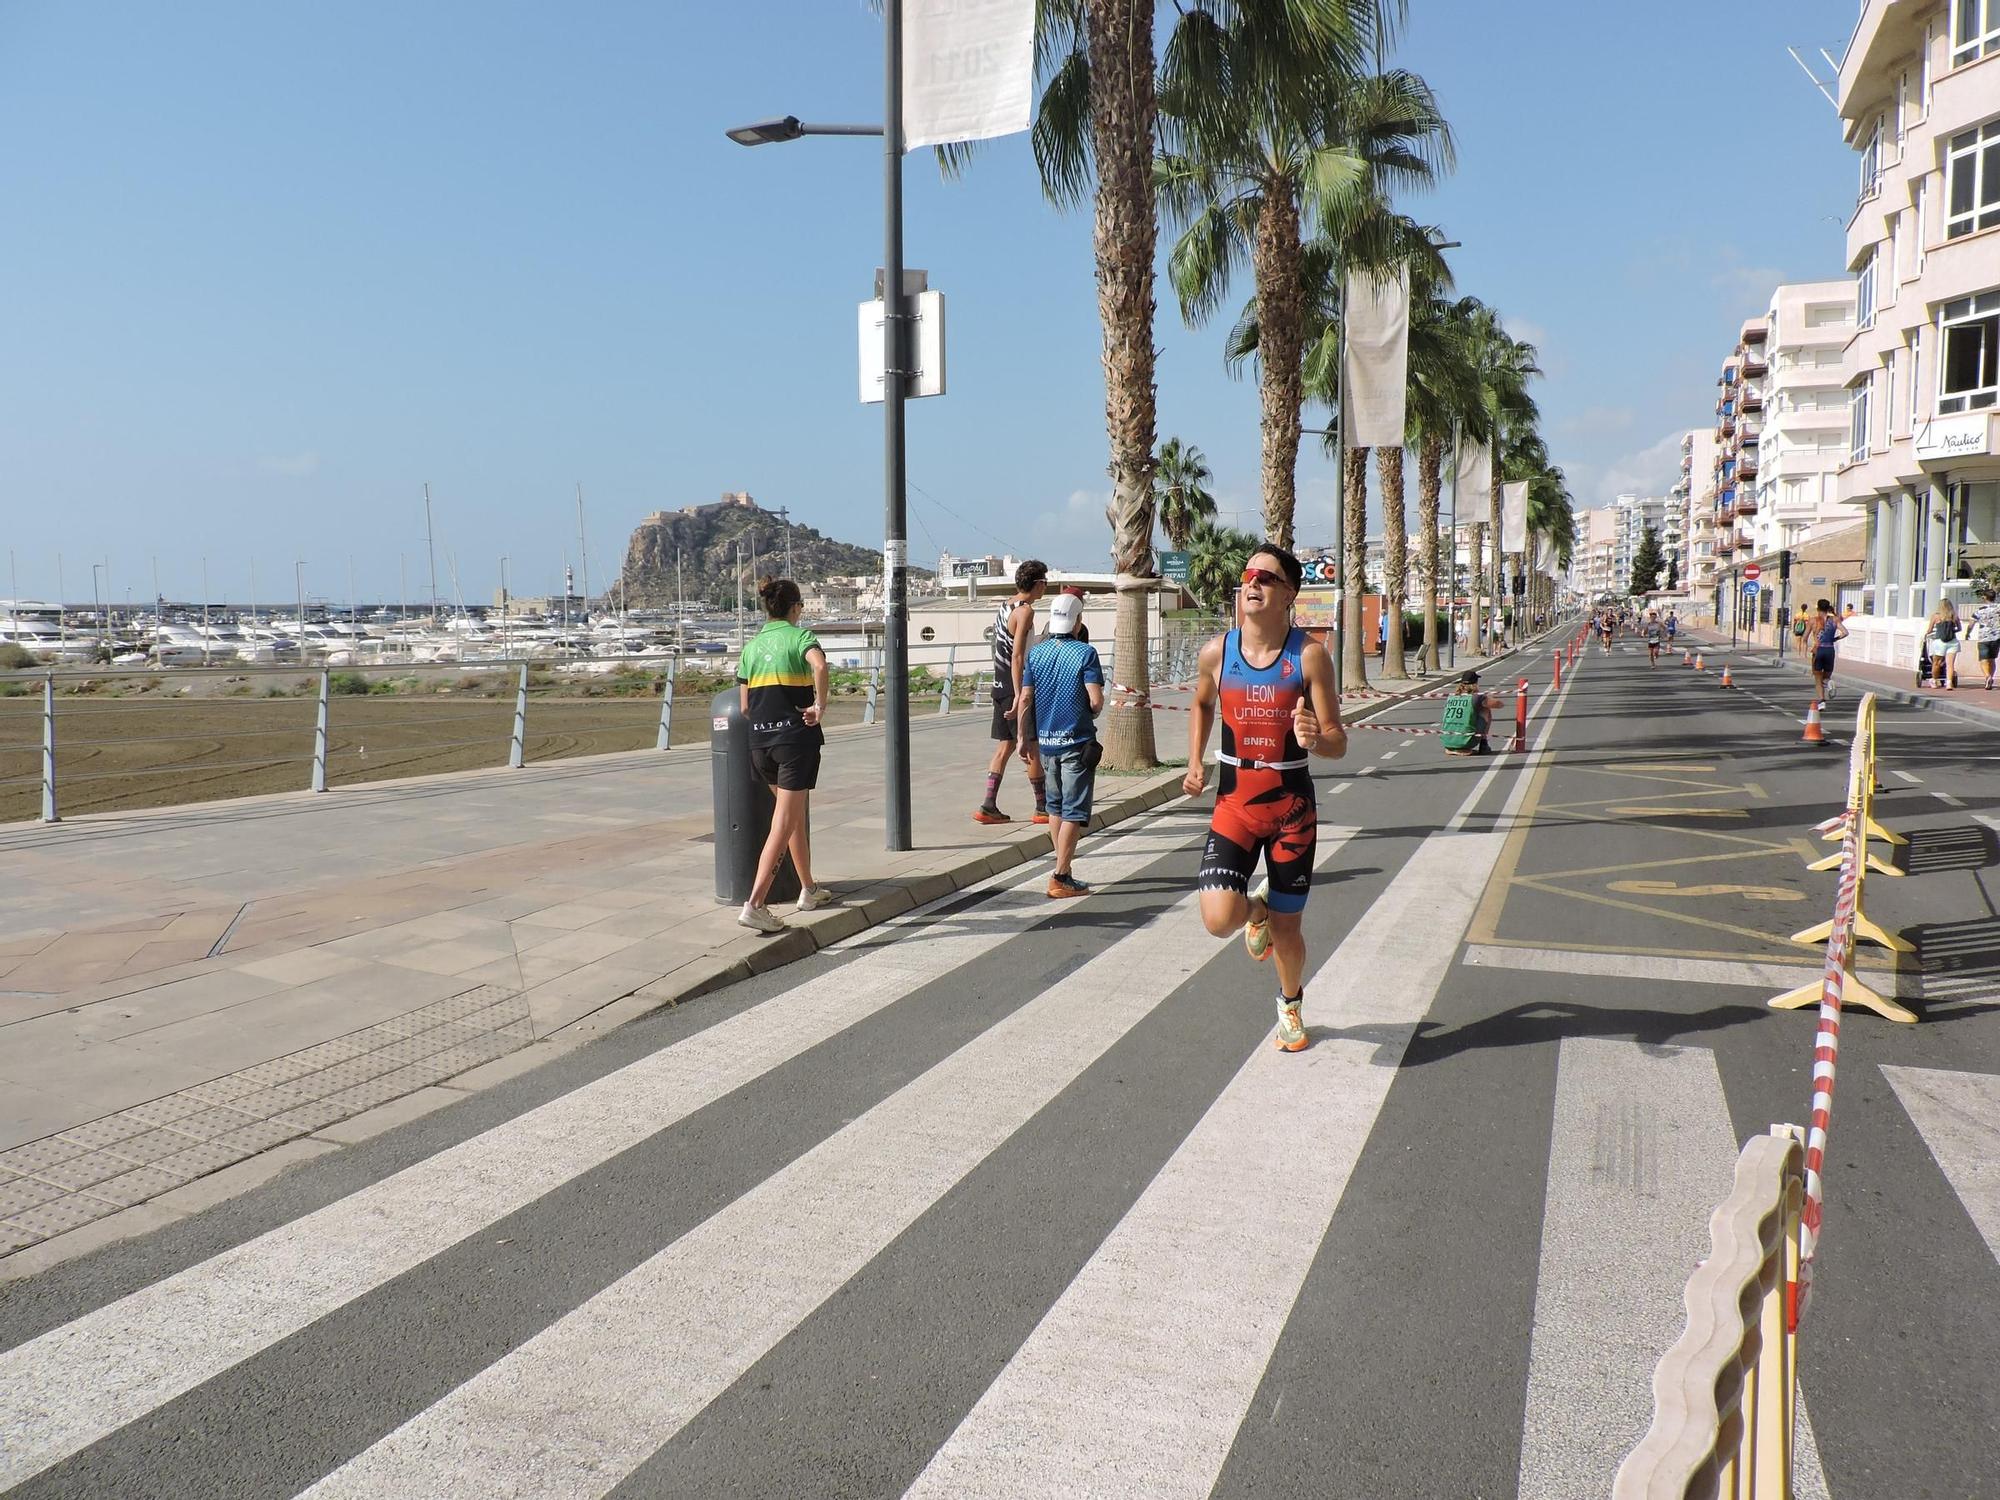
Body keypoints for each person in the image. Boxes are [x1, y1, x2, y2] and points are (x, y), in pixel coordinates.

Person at [1182, 544, 1346, 1053]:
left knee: (1289, 928)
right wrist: (1195, 761)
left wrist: (1315, 738)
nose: (1252, 583)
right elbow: (1201, 703)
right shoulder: (1218, 651)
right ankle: (1255, 912)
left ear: (1289, 594)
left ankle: (1290, 1005)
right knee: (1217, 919)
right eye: (1248, 575)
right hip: (1234, 800)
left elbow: (1339, 741)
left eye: (1266, 578)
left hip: (1291, 809)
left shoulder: (1310, 655)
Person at [735, 577, 834, 933]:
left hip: (759, 744)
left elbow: (745, 707)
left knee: (791, 816)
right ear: (795, 608)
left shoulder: (751, 648)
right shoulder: (801, 637)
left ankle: (808, 888)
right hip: (794, 741)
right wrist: (819, 706)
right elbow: (820, 667)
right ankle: (755, 904)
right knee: (783, 823)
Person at [1016, 593, 1104, 898]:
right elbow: (1095, 701)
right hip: (1077, 741)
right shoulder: (1085, 653)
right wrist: (1091, 706)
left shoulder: (1036, 654)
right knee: (1074, 811)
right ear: (1077, 621)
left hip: (1047, 743)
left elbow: (1025, 698)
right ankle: (1061, 875)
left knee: (1054, 807)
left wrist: (1021, 737)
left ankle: (1061, 866)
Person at [976, 560, 1049, 826]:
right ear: (1038, 583)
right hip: (1014, 684)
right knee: (1030, 745)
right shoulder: (1025, 611)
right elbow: (1017, 655)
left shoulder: (1004, 606)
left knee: (1004, 746)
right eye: (1045, 583)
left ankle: (988, 805)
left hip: (999, 684)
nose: (1045, 589)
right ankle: (1042, 807)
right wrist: (1020, 694)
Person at [1440, 669, 1501, 756]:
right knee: (1485, 710)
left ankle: (1453, 746)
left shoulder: (1451, 697)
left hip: (1447, 740)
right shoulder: (1476, 698)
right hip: (1467, 741)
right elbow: (1499, 704)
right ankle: (1484, 744)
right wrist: (1485, 697)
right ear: (1475, 683)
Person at [1810, 597, 1846, 709]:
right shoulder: (1834, 620)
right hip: (1830, 649)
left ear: (1818, 608)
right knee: (1826, 676)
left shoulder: (1814, 620)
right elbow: (1845, 632)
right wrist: (1835, 639)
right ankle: (1829, 682)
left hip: (1819, 649)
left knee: (1817, 677)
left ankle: (1822, 701)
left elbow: (1805, 636)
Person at [1925, 599, 1962, 690]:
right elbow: (1959, 628)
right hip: (1952, 641)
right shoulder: (1954, 616)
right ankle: (1949, 683)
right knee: (1950, 664)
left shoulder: (1936, 616)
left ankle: (1934, 680)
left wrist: (1928, 633)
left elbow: (1929, 630)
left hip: (1939, 642)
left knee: (1936, 663)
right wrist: (1951, 630)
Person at [1970, 587, 2000, 689]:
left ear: (1985, 597)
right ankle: (1990, 677)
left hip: (1984, 637)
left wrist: (1967, 633)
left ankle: (1987, 676)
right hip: (1996, 637)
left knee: (1983, 659)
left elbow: (1971, 622)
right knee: (1992, 659)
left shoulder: (1980, 610)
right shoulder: (1999, 608)